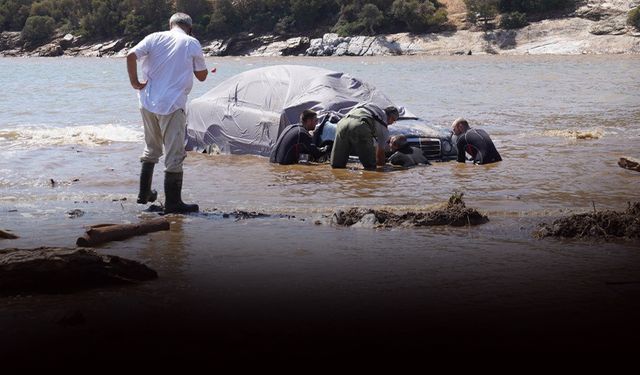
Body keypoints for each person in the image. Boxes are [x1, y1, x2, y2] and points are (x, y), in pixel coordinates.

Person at [126, 12, 208, 214]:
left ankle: (144, 193)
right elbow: (202, 76)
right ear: (190, 27)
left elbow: (130, 55)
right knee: (174, 154)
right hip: (172, 104)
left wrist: (135, 82)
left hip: (147, 101)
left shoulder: (154, 37)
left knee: (151, 148)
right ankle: (173, 203)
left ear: (170, 24)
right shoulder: (191, 42)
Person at [330, 104, 399, 170]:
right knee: (370, 167)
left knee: (337, 165)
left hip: (342, 123)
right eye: (394, 121)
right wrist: (382, 168)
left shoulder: (371, 107)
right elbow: (380, 154)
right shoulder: (383, 126)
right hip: (360, 125)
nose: (392, 123)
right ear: (391, 118)